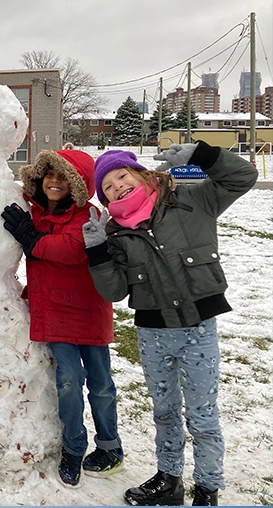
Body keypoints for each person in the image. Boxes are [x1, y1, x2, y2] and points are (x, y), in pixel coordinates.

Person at [83, 143, 258, 506]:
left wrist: (202, 157)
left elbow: (244, 176)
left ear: (140, 173)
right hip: (154, 333)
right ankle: (169, 479)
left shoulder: (192, 200)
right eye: (109, 187)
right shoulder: (116, 235)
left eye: (121, 176)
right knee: (163, 412)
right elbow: (114, 291)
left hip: (198, 329)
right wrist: (97, 250)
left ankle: (207, 489)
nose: (118, 187)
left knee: (202, 415)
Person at [1, 149, 121, 488]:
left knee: (101, 385)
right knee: (68, 383)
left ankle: (110, 445)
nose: (54, 182)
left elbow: (70, 250)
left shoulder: (88, 216)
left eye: (63, 177)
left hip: (87, 311)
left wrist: (32, 240)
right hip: (54, 312)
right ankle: (73, 447)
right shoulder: (36, 214)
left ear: (79, 184)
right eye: (49, 175)